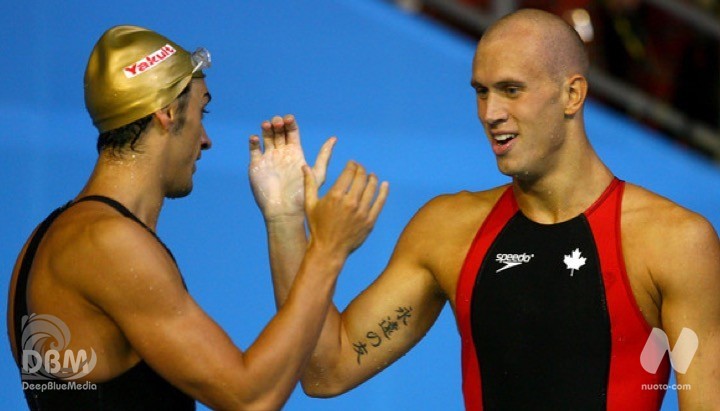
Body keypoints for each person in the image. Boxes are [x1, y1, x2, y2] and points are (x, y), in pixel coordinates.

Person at [251, 9, 720, 410]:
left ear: (572, 94)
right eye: (481, 91)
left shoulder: (673, 241)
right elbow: (325, 370)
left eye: (511, 90)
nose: (490, 112)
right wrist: (284, 219)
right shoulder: (448, 230)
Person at [7, 25, 388, 410]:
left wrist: (283, 218)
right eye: (200, 110)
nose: (205, 138)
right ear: (168, 113)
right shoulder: (107, 244)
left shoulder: (45, 240)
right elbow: (250, 397)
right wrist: (327, 250)